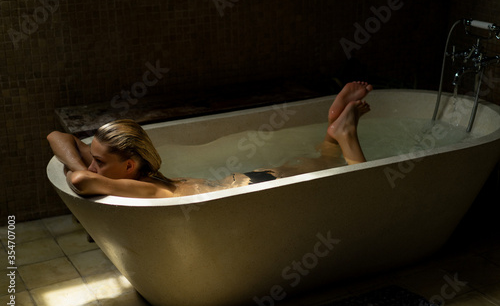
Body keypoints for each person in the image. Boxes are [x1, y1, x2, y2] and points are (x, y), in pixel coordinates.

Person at [47, 81, 372, 198]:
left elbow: (79, 179)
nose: (91, 165)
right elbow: (57, 136)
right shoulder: (135, 174)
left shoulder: (141, 187)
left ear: (130, 164)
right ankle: (334, 131)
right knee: (326, 164)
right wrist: (93, 163)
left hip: (251, 187)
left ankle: (344, 132)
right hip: (246, 183)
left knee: (360, 186)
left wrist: (84, 169)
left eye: (98, 160)